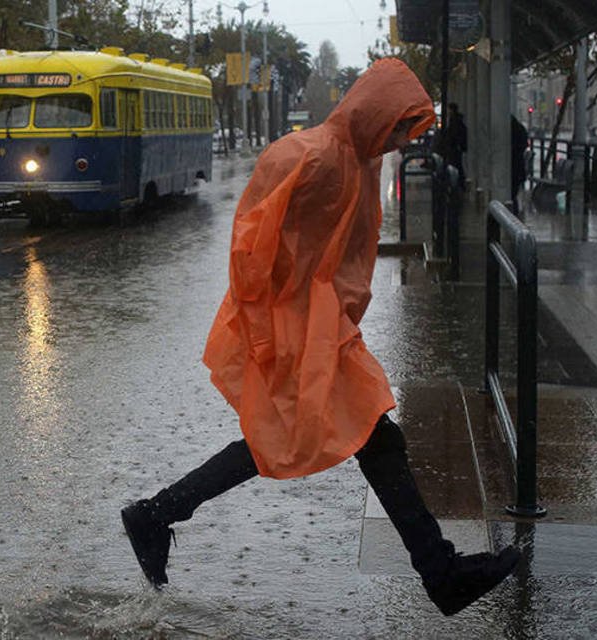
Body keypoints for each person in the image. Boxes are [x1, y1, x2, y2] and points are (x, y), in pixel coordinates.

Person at [121, 58, 520, 617]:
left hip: (322, 331)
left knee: (345, 440)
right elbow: (250, 248)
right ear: (375, 112)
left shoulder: (355, 162)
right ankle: (441, 572)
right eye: (400, 126)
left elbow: (339, 256)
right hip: (294, 331)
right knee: (316, 440)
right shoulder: (307, 155)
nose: (403, 139)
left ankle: (156, 513)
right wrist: (265, 333)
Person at [434, 102, 468, 189]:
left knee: (455, 166)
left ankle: (458, 184)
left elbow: (452, 135)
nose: (448, 112)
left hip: (453, 149)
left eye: (449, 110)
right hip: (455, 148)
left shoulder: (454, 122)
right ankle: (459, 184)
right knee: (457, 166)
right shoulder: (456, 121)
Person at [511, 115, 529, 212]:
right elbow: (525, 144)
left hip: (514, 168)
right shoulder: (520, 129)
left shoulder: (512, 130)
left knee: (512, 193)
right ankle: (514, 212)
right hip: (518, 168)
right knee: (513, 193)